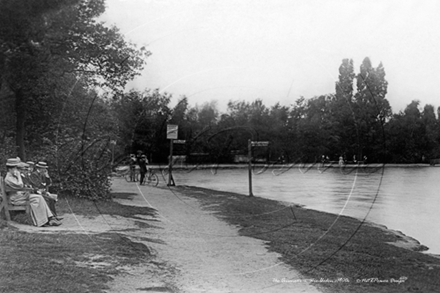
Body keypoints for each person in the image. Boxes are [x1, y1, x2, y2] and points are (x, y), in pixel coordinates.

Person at [4, 158, 60, 227]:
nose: (18, 170)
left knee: (39, 198)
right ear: (10, 169)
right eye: (16, 168)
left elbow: (21, 186)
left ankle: (47, 219)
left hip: (21, 196)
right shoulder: (9, 178)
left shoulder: (12, 176)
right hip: (15, 199)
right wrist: (19, 175)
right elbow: (20, 185)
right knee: (37, 198)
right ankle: (42, 221)